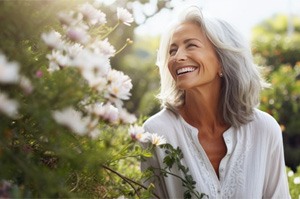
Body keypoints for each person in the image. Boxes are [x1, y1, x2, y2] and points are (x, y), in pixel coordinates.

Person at [141, 5, 290, 199]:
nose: (177, 57)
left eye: (191, 45)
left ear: (222, 60)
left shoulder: (264, 129)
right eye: (172, 50)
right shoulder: (157, 132)